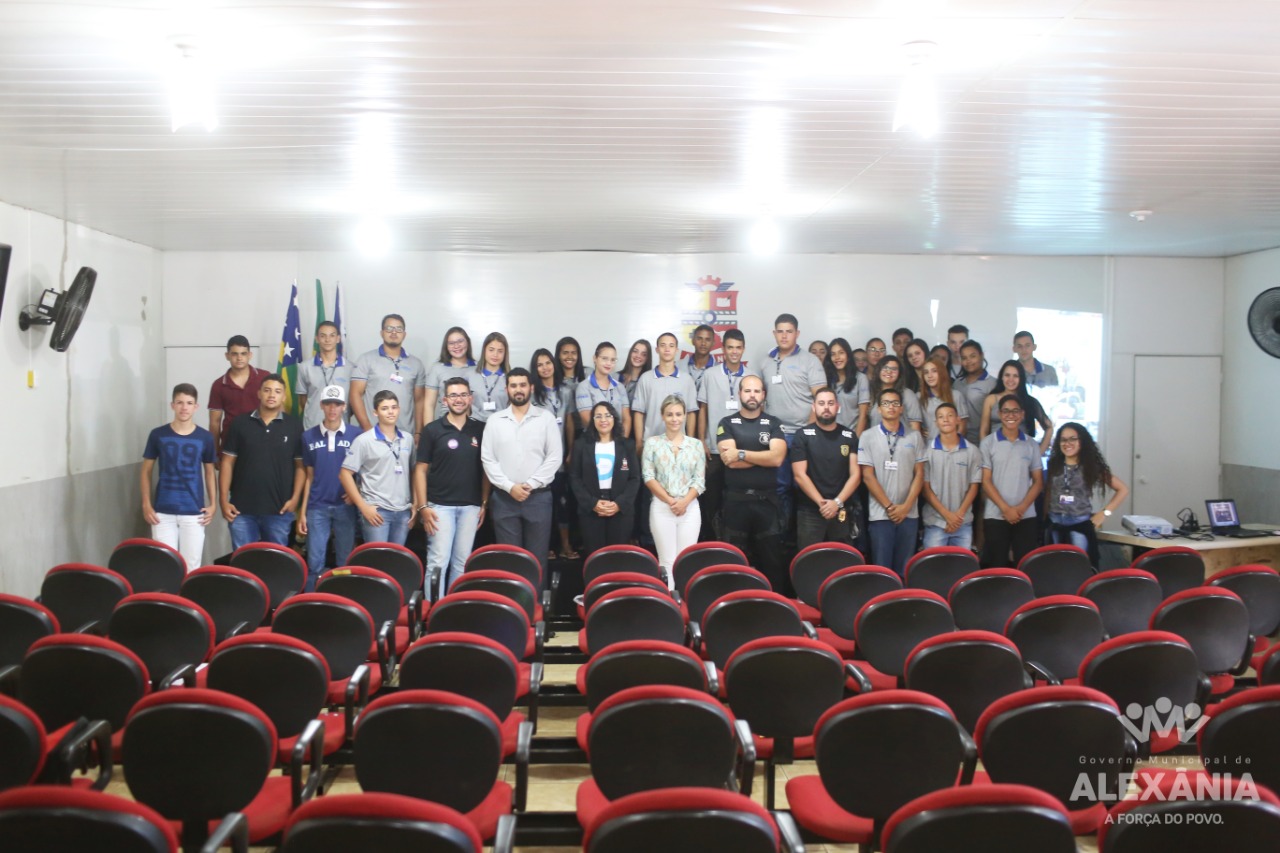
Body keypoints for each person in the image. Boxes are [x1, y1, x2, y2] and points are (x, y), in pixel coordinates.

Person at [481, 368, 564, 580]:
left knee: (536, 561)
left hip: (538, 498)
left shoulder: (545, 418)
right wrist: (510, 487)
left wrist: (530, 484)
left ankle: (535, 611)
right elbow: (488, 460)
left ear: (531, 387)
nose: (518, 390)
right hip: (504, 499)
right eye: (514, 385)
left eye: (523, 385)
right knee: (510, 561)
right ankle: (513, 612)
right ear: (507, 389)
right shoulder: (495, 421)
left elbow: (554, 457)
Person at [415, 376, 488, 598]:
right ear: (444, 400)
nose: (459, 399)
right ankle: (432, 613)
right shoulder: (432, 430)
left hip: (471, 507)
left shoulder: (481, 429)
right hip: (439, 507)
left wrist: (484, 502)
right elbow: (420, 470)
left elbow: (487, 470)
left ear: (471, 398)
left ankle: (452, 611)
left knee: (461, 563)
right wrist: (423, 507)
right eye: (454, 395)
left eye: (463, 395)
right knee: (438, 562)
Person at [716, 375, 788, 591]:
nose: (752, 395)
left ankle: (775, 609)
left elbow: (776, 459)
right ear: (739, 394)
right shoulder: (727, 423)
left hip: (768, 504)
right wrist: (761, 458)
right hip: (735, 502)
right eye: (748, 391)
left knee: (772, 563)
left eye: (757, 391)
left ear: (763, 395)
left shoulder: (773, 423)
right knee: (734, 564)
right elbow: (729, 461)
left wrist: (741, 453)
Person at [219, 374, 304, 550]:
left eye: (277, 391)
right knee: (243, 564)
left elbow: (300, 467)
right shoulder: (240, 423)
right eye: (267, 390)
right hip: (241, 510)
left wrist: (295, 498)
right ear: (259, 393)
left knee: (275, 564)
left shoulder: (294, 425)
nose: (272, 395)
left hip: (279, 510)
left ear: (284, 397)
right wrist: (223, 499)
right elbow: (227, 463)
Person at [759, 313, 827, 531]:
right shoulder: (766, 362)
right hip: (776, 435)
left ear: (797, 334)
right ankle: (782, 535)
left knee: (803, 487)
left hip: (803, 434)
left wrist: (808, 431)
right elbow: (762, 398)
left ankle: (803, 536)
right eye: (780, 331)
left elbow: (820, 398)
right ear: (774, 333)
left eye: (789, 331)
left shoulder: (810, 361)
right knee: (779, 487)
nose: (784, 336)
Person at [141, 383, 217, 571]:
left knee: (191, 566)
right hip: (162, 512)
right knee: (165, 566)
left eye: (189, 403)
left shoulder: (205, 437)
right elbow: (146, 471)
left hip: (193, 511)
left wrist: (213, 504)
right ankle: (169, 601)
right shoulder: (158, 434)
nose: (184, 407)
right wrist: (146, 503)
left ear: (196, 406)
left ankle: (186, 601)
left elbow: (209, 472)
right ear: (172, 405)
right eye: (180, 402)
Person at [297, 384, 360, 591]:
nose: (332, 409)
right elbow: (308, 475)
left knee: (345, 562)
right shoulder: (308, 436)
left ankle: (343, 602)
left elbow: (364, 471)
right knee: (314, 562)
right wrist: (303, 511)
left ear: (344, 407)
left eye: (337, 404)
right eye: (328, 404)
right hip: (317, 507)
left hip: (345, 506)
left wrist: (355, 494)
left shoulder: (356, 435)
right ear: (321, 406)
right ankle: (311, 601)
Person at [858, 388, 926, 577]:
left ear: (902, 408)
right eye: (886, 403)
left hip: (909, 514)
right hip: (880, 514)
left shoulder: (915, 436)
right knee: (882, 571)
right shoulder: (867, 436)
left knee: (904, 570)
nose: (891, 407)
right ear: (879, 409)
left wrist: (905, 507)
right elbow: (867, 476)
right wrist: (889, 506)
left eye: (895, 403)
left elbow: (919, 474)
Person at [697, 329, 757, 540]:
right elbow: (702, 409)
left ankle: (737, 543)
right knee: (711, 499)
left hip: (743, 451)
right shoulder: (710, 374)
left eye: (738, 348)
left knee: (738, 500)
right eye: (730, 347)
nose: (734, 352)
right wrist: (701, 440)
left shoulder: (752, 376)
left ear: (743, 349)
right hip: (713, 449)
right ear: (723, 349)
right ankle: (712, 542)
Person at [1045, 423, 1129, 566]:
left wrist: (1104, 514)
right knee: (1057, 568)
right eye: (1063, 439)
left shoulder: (1091, 466)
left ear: (1081, 441)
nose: (1067, 443)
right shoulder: (1054, 464)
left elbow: (1123, 489)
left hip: (1079, 524)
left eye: (1072, 439)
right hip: (1055, 523)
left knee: (1080, 567)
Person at [643, 395, 706, 587]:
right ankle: (669, 605)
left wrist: (684, 502)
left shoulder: (695, 445)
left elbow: (700, 481)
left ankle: (687, 607)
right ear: (662, 416)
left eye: (678, 414)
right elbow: (648, 476)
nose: (674, 419)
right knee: (667, 561)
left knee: (686, 561)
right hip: (662, 508)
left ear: (685, 415)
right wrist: (671, 501)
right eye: (669, 414)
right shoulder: (652, 443)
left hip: (690, 509)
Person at [340, 390, 415, 546]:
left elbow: (414, 472)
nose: (390, 412)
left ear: (399, 409)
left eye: (394, 407)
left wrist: (415, 503)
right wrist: (363, 506)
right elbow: (345, 474)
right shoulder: (364, 440)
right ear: (375, 412)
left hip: (403, 511)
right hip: (377, 511)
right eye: (384, 408)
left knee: (397, 559)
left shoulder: (407, 439)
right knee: (377, 561)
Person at [791, 388, 861, 549]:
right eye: (821, 403)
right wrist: (823, 504)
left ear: (837, 407)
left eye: (830, 403)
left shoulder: (849, 436)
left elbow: (856, 475)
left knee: (842, 561)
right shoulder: (802, 435)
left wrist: (836, 503)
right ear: (814, 407)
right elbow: (799, 475)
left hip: (841, 508)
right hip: (810, 510)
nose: (826, 407)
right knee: (808, 561)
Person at [980, 394, 1045, 567]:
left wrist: (1021, 509)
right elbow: (986, 481)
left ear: (1022, 414)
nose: (1011, 415)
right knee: (996, 565)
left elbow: (1038, 481)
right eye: (1006, 411)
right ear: (1000, 414)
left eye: (1015, 411)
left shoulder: (1031, 444)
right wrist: (1006, 509)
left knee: (1025, 566)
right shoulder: (988, 443)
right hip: (996, 514)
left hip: (1026, 516)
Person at [569, 402, 640, 558]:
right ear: (592, 420)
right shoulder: (581, 445)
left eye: (607, 415)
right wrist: (592, 503)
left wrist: (619, 504)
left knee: (618, 558)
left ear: (614, 419)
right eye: (598, 416)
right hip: (591, 509)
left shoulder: (626, 445)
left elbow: (634, 478)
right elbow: (574, 477)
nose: (603, 420)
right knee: (595, 558)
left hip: (620, 510)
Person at [533, 348, 578, 561]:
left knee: (563, 502)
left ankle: (565, 544)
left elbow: (568, 423)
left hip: (560, 457)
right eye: (540, 364)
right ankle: (547, 546)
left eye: (548, 363)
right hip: (539, 460)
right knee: (544, 505)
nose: (545, 367)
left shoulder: (566, 390)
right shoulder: (532, 393)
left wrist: (569, 451)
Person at [350, 314, 428, 434]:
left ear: (404, 334)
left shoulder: (416, 364)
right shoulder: (366, 360)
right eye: (389, 328)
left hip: (406, 434)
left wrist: (418, 432)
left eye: (399, 329)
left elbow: (419, 400)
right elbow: (355, 394)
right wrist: (367, 428)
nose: (394, 332)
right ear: (382, 333)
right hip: (373, 433)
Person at [921, 402, 982, 550]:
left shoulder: (972, 451)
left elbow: (974, 487)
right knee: (932, 568)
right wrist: (947, 515)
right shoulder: (927, 452)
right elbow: (925, 488)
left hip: (963, 522)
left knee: (962, 569)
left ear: (958, 419)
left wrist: (958, 516)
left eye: (950, 416)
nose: (946, 419)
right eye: (941, 417)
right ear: (936, 422)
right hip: (935, 522)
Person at [633, 332, 699, 454]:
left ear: (677, 350)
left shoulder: (687, 380)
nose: (667, 349)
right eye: (663, 345)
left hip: (680, 447)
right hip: (651, 444)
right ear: (657, 349)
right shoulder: (646, 378)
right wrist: (639, 443)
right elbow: (639, 413)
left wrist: (690, 441)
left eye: (671, 345)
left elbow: (690, 413)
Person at [208, 335, 269, 456]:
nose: (239, 358)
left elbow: (278, 409)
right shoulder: (219, 385)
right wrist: (214, 452)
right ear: (227, 356)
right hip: (231, 445)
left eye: (243, 354)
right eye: (235, 354)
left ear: (250, 355)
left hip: (262, 442)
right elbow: (215, 422)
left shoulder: (264, 377)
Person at [979, 360, 1053, 453]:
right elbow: (983, 431)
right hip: (995, 453)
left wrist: (1038, 453)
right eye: (1007, 375)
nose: (1011, 379)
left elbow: (1049, 427)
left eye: (1015, 376)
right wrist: (986, 454)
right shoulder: (991, 399)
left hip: (1022, 454)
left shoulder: (1030, 402)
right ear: (1001, 377)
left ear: (1021, 378)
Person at [296, 322, 352, 430]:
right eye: (323, 336)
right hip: (312, 426)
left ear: (338, 339)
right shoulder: (305, 367)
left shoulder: (351, 368)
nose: (327, 340)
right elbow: (303, 400)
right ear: (317, 339)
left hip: (341, 428)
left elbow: (353, 402)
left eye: (332, 335)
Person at [577, 342, 631, 436]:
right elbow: (587, 420)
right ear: (595, 358)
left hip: (618, 440)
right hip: (594, 440)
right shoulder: (584, 387)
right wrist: (606, 440)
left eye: (613, 360)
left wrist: (622, 442)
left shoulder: (620, 387)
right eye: (604, 359)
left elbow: (626, 418)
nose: (609, 363)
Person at [423, 326, 475, 423]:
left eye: (460, 341)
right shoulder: (437, 368)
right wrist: (428, 433)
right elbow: (429, 404)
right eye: (451, 343)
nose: (456, 346)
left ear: (467, 342)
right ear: (446, 346)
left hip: (472, 426)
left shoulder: (478, 368)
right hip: (445, 426)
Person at [919, 357, 972, 442]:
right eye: (926, 372)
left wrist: (953, 445)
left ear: (941, 373)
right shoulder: (919, 398)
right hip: (928, 448)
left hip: (952, 447)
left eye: (934, 371)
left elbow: (962, 426)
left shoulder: (956, 395)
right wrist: (919, 430)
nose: (930, 376)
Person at [825, 337, 870, 435]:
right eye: (833, 354)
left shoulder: (861, 379)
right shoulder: (826, 379)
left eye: (841, 353)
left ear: (848, 356)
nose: (837, 357)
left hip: (850, 434)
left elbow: (863, 415)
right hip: (827, 436)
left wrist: (856, 441)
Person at [867, 356, 924, 432]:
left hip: (902, 441)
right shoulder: (871, 393)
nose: (889, 372)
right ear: (878, 370)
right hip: (875, 441)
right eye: (885, 367)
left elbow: (915, 427)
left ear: (899, 374)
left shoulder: (908, 395)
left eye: (894, 369)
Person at [956, 341, 997, 445]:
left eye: (972, 356)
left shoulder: (993, 384)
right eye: (964, 358)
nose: (968, 361)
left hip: (981, 441)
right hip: (958, 441)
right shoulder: (957, 383)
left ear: (982, 355)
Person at [466, 332, 511, 423]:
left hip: (502, 424)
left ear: (505, 353)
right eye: (491, 350)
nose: (495, 354)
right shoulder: (469, 375)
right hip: (474, 423)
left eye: (500, 351)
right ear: (484, 350)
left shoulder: (510, 377)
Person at [687, 324, 717, 390]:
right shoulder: (679, 366)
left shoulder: (719, 370)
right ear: (693, 341)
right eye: (699, 339)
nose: (703, 343)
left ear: (713, 343)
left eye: (708, 339)